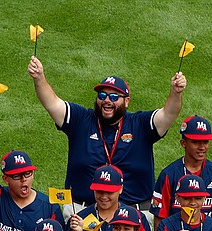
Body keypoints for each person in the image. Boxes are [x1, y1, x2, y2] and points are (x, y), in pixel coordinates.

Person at [28, 56, 186, 220]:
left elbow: (169, 113)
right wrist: (39, 77)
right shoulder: (80, 119)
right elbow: (51, 103)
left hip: (133, 214)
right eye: (102, 95)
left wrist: (176, 93)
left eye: (114, 97)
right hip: (83, 212)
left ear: (126, 101)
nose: (107, 101)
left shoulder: (141, 124)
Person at [151, 115, 212, 228]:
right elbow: (160, 218)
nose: (202, 147)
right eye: (196, 142)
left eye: (205, 142)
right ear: (183, 143)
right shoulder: (168, 175)